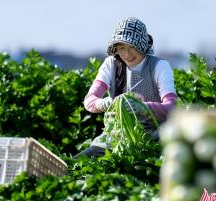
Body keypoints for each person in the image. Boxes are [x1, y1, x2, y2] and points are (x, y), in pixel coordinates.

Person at [74, 17, 177, 158]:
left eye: (132, 47)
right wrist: (106, 103)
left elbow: (172, 107)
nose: (127, 55)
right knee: (77, 163)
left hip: (150, 138)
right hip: (114, 137)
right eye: (121, 48)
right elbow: (89, 101)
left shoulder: (159, 66)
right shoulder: (111, 65)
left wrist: (143, 107)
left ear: (142, 45)